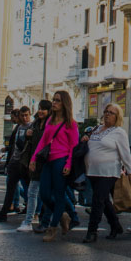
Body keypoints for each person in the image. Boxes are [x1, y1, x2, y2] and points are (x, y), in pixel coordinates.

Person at [30, 90, 80, 242]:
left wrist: (69, 164)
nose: (54, 102)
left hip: (61, 160)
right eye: (54, 100)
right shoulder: (50, 120)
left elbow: (74, 146)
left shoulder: (70, 123)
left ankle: (52, 227)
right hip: (48, 160)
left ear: (64, 103)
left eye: (57, 100)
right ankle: (62, 214)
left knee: (59, 195)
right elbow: (43, 142)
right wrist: (33, 158)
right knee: (44, 194)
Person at [82, 102, 131, 242]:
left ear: (117, 116)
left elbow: (126, 153)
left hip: (109, 171)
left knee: (97, 200)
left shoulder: (119, 132)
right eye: (106, 111)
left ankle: (92, 231)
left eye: (111, 112)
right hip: (92, 170)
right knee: (104, 200)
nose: (107, 114)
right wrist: (85, 139)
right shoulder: (96, 129)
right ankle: (115, 225)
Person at [16, 99, 52, 233]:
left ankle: (61, 216)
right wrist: (27, 135)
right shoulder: (35, 124)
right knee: (32, 192)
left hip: (47, 162)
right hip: (35, 162)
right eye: (39, 108)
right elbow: (25, 144)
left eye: (44, 109)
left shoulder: (51, 124)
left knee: (48, 195)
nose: (41, 111)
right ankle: (29, 221)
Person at [0, 108, 33, 221]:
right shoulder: (18, 127)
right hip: (14, 162)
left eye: (26, 115)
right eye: (22, 115)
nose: (24, 118)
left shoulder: (32, 127)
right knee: (11, 188)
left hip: (24, 163)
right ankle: (4, 212)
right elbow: (14, 146)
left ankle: (36, 211)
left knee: (30, 188)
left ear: (30, 115)